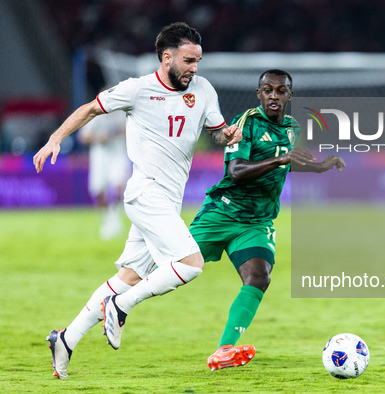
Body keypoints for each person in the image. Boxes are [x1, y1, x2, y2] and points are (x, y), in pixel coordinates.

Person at [33, 22, 242, 379]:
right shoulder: (138, 89)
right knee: (190, 264)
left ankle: (66, 339)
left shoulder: (203, 90)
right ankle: (122, 307)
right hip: (146, 194)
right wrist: (56, 138)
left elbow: (217, 133)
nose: (195, 68)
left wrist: (229, 134)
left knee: (128, 276)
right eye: (189, 60)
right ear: (166, 57)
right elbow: (89, 110)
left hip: (168, 200)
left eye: (198, 61)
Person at [187, 69, 345, 371]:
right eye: (268, 90)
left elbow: (285, 164)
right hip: (223, 213)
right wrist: (281, 159)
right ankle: (117, 301)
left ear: (289, 95)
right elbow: (237, 171)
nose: (274, 95)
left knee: (259, 277)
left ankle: (224, 350)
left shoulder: (290, 127)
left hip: (257, 221)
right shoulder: (245, 124)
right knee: (169, 268)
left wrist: (318, 167)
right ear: (258, 94)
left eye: (280, 90)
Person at [78, 108, 130, 240]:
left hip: (118, 154)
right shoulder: (97, 116)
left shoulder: (122, 114)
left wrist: (117, 133)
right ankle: (107, 220)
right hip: (100, 157)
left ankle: (115, 215)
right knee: (98, 191)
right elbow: (83, 136)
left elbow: (132, 129)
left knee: (118, 187)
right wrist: (99, 137)